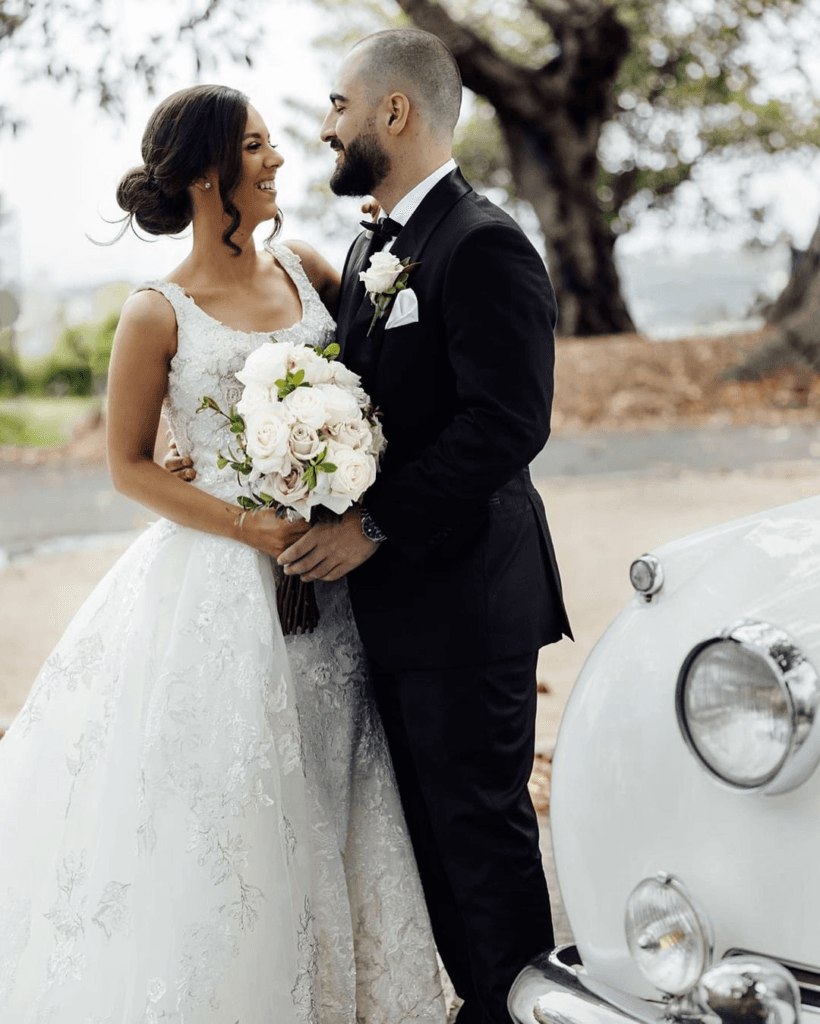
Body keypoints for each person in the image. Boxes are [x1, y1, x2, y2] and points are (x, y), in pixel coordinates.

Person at [0, 84, 446, 1023]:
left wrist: (343, 477)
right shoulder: (156, 314)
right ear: (209, 174)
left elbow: (375, 394)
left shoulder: (311, 269)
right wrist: (249, 523)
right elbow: (128, 469)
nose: (279, 159)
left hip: (330, 580)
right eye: (256, 146)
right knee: (236, 809)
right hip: (219, 589)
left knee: (336, 779)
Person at [276, 29, 573, 1024]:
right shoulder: (374, 243)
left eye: (336, 106)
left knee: (480, 844)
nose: (325, 127)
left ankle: (519, 1010)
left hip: (469, 600)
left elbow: (508, 422)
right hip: (404, 611)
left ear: (390, 113)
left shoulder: (481, 241)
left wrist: (374, 525)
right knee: (434, 841)